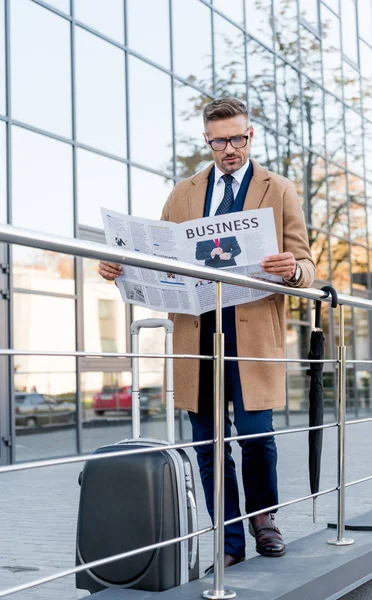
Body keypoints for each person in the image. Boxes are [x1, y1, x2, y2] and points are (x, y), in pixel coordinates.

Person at [98, 98, 315, 569]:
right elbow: (156, 259)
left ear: (250, 135)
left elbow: (307, 265)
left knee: (257, 437)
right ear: (208, 141)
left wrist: (294, 269)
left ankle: (264, 520)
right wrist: (118, 266)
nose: (230, 148)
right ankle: (229, 541)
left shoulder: (278, 190)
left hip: (252, 334)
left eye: (238, 138)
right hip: (196, 335)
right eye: (221, 140)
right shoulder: (184, 194)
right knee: (208, 442)